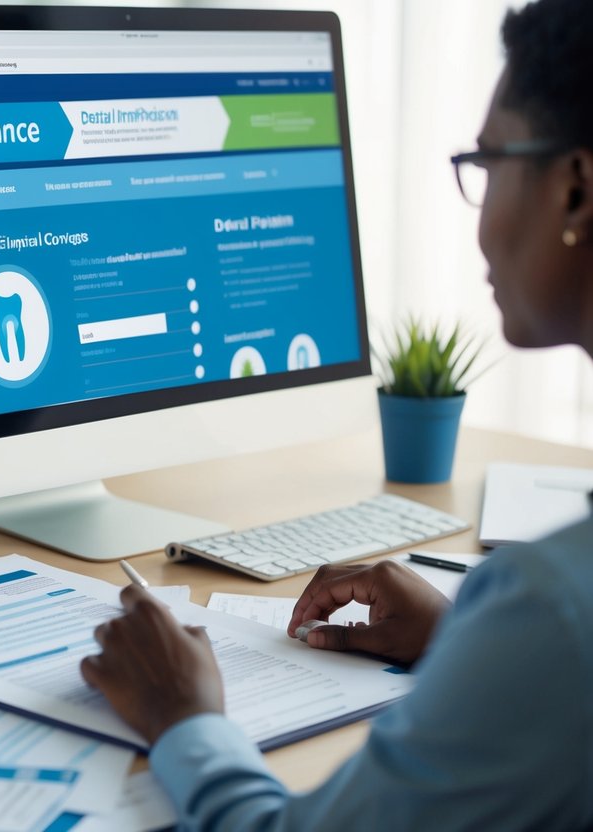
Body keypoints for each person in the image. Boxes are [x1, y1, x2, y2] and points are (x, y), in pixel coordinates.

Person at [80, 0, 593, 828]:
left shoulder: (554, 610)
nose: (478, 222)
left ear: (574, 189)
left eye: (487, 162)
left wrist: (182, 716)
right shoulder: (549, 620)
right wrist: (472, 643)